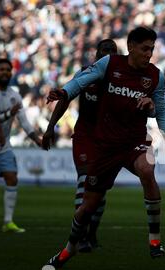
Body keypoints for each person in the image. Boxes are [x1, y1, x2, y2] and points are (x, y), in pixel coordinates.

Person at [45, 27, 165, 268]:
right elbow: (80, 82)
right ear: (131, 47)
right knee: (87, 207)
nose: (149, 54)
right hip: (106, 146)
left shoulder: (156, 76)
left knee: (147, 171)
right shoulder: (110, 64)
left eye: (152, 49)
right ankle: (70, 247)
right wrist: (63, 92)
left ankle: (155, 241)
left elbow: (161, 112)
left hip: (135, 141)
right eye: (144, 48)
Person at [42, 39, 118, 252]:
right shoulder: (86, 74)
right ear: (96, 54)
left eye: (113, 51)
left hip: (108, 139)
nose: (109, 54)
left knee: (99, 189)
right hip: (85, 135)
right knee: (85, 181)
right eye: (105, 50)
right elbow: (65, 99)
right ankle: (81, 236)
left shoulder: (122, 78)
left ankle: (92, 232)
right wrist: (50, 128)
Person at [0, 58, 42, 232]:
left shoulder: (14, 94)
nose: (5, 72)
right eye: (1, 69)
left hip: (4, 147)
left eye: (8, 70)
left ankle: (8, 222)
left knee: (12, 178)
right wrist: (7, 114)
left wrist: (37, 139)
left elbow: (24, 121)